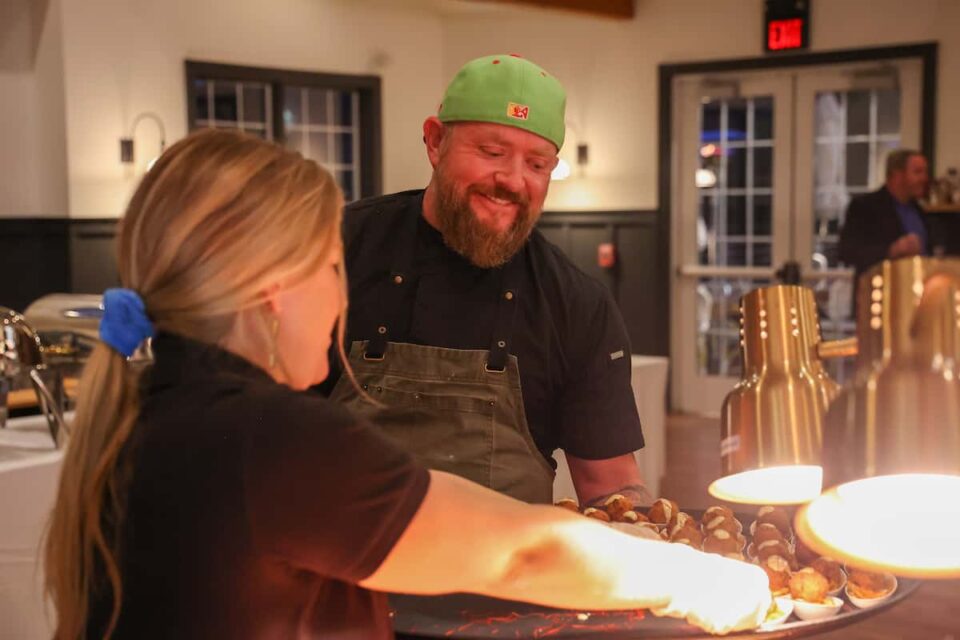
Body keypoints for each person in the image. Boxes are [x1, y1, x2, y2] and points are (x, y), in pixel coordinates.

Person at [43, 129, 770, 639]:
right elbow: (520, 552)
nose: (339, 300)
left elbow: (488, 518)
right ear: (273, 290)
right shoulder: (268, 438)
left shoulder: (148, 403)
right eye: (331, 268)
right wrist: (696, 580)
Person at [323, 54, 650, 508]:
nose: (512, 180)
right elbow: (260, 432)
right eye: (491, 153)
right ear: (435, 142)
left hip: (502, 577)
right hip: (335, 570)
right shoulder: (333, 251)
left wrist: (648, 533)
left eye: (537, 165)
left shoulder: (577, 304)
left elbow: (611, 486)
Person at [839, 149, 932, 295]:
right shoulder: (865, 207)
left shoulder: (920, 211)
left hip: (918, 296)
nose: (924, 178)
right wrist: (892, 250)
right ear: (897, 174)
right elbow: (846, 252)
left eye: (925, 172)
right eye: (918, 172)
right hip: (879, 297)